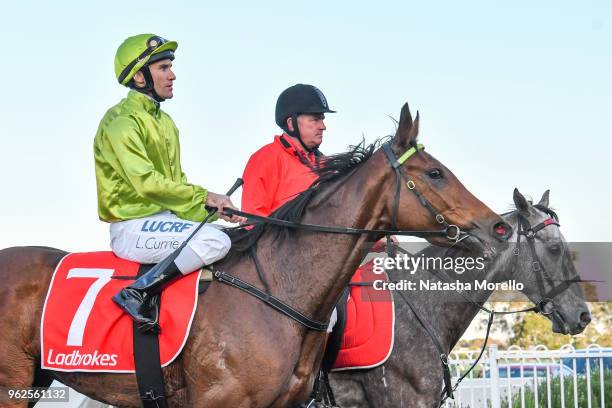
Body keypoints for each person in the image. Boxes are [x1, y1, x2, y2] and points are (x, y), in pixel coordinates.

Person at [94, 34, 243, 332]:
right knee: (215, 241)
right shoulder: (121, 121)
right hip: (132, 227)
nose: (172, 75)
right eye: (163, 67)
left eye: (170, 67)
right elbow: (148, 183)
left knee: (236, 239)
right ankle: (139, 292)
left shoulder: (166, 123)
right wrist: (205, 196)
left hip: (163, 221)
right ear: (139, 76)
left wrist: (211, 212)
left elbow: (176, 188)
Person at [241, 84, 334, 216]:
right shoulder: (265, 158)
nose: (323, 126)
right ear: (291, 123)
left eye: (322, 119)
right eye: (315, 120)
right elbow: (252, 222)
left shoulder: (327, 165)